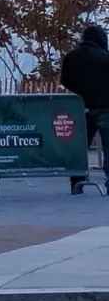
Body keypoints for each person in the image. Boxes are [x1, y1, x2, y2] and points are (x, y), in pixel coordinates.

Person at [59, 25, 109, 194]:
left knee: (80, 147)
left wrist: (81, 91)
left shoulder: (71, 58)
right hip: (105, 107)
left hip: (81, 107)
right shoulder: (105, 57)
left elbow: (65, 80)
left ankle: (77, 182)